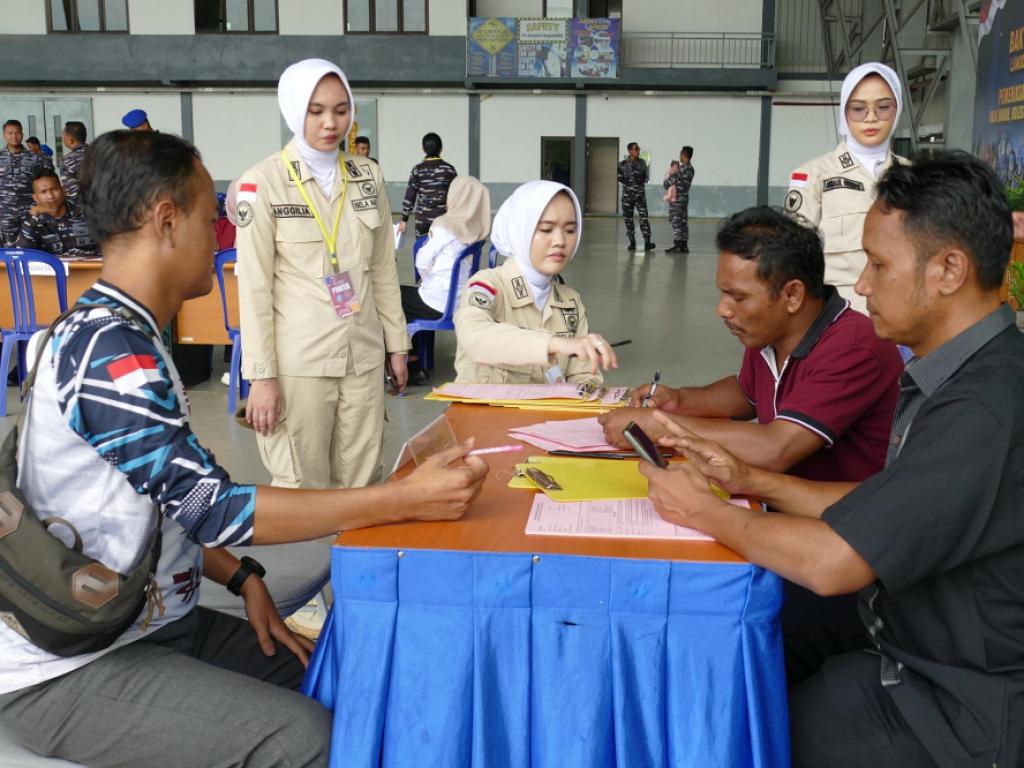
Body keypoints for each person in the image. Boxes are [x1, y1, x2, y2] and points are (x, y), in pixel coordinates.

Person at [0, 128, 488, 768]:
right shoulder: (111, 351)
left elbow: (157, 499)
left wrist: (241, 574)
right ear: (166, 221)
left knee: (342, 685)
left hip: (154, 622)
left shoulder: (127, 333)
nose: (221, 233)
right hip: (71, 663)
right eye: (213, 218)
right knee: (304, 739)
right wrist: (397, 500)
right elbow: (213, 507)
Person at [639, 151, 1024, 768]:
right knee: (727, 644)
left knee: (735, 734)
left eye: (877, 264)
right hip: (903, 627)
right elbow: (887, 506)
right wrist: (748, 480)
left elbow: (834, 562)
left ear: (949, 269)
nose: (863, 284)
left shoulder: (986, 406)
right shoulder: (955, 374)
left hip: (954, 702)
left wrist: (704, 512)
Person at [237, 58, 410, 491]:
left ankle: (349, 561)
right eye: (316, 111)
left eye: (340, 109)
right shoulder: (261, 183)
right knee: (302, 484)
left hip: (363, 353)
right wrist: (261, 377)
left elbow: (383, 270)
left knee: (363, 479)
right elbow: (254, 287)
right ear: (295, 110)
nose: (331, 123)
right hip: (301, 362)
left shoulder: (368, 176)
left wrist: (397, 345)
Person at [454, 180, 617, 385]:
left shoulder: (570, 302)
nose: (560, 241)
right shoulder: (488, 285)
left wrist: (587, 390)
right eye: (546, 229)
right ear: (519, 230)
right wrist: (555, 344)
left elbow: (583, 376)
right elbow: (474, 338)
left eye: (569, 230)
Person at [785, 62, 907, 314]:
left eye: (883, 107)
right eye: (859, 109)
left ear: (897, 110)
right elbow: (793, 255)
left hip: (902, 317)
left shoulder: (915, 176)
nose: (871, 117)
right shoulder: (814, 175)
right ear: (844, 112)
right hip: (839, 318)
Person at [402, 175, 491, 381]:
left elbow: (422, 261)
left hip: (436, 301)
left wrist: (425, 278)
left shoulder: (444, 225)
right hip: (459, 300)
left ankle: (410, 365)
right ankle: (415, 358)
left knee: (389, 298)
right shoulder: (477, 228)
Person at [15, 168, 99, 258]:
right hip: (51, 271)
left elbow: (107, 245)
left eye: (54, 189)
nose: (51, 196)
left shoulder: (86, 213)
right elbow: (23, 254)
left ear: (63, 191)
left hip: (89, 269)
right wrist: (33, 217)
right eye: (43, 192)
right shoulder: (32, 220)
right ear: (36, 198)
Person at [0, 119, 53, 246]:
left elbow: (45, 182)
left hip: (29, 212)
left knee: (31, 247)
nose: (14, 136)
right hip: (5, 214)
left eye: (17, 133)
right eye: (10, 133)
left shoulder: (35, 158)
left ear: (22, 135)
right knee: (8, 251)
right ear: (4, 135)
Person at [399, 132, 457, 238]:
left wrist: (404, 220)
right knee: (443, 252)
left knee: (422, 250)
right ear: (441, 148)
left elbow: (410, 196)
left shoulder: (417, 170)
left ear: (423, 148)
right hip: (444, 220)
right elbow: (457, 195)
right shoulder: (449, 169)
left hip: (423, 220)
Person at [617, 141, 655, 252]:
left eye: (638, 149)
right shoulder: (622, 164)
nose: (638, 151)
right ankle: (632, 242)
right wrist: (630, 184)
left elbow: (644, 177)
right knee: (628, 219)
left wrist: (631, 182)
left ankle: (647, 242)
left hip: (639, 196)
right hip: (627, 197)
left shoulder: (642, 163)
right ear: (630, 151)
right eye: (636, 149)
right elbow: (620, 178)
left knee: (644, 218)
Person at [663, 145, 694, 253]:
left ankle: (678, 246)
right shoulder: (691, 169)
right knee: (683, 222)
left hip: (677, 200)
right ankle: (684, 246)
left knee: (676, 222)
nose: (679, 156)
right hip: (684, 199)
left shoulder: (681, 169)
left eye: (681, 153)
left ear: (684, 155)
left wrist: (668, 178)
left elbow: (667, 183)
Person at [59, 120, 89, 207]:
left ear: (70, 140)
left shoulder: (67, 160)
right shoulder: (98, 153)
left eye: (63, 136)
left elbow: (71, 190)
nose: (62, 139)